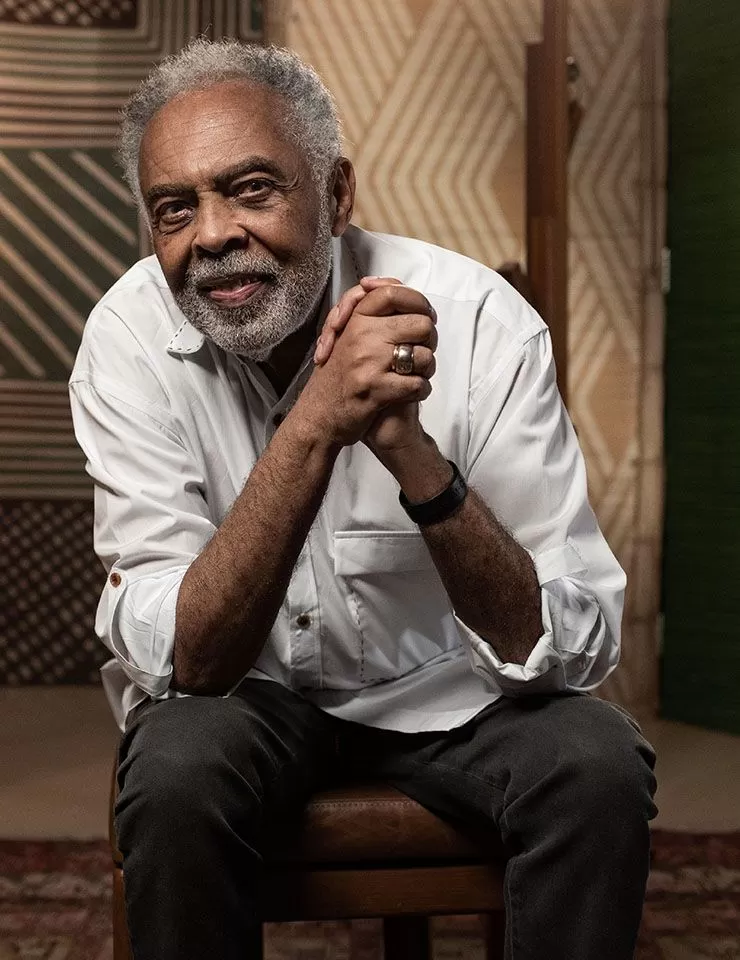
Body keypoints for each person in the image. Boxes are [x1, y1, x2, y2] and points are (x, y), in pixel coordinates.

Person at [69, 38, 657, 960]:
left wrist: (409, 450)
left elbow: (568, 645)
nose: (212, 234)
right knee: (174, 769)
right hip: (248, 697)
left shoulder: (482, 322)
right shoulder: (128, 340)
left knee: (596, 764)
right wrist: (315, 423)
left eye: (251, 189)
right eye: (174, 208)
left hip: (457, 697)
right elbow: (191, 659)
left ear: (337, 195)